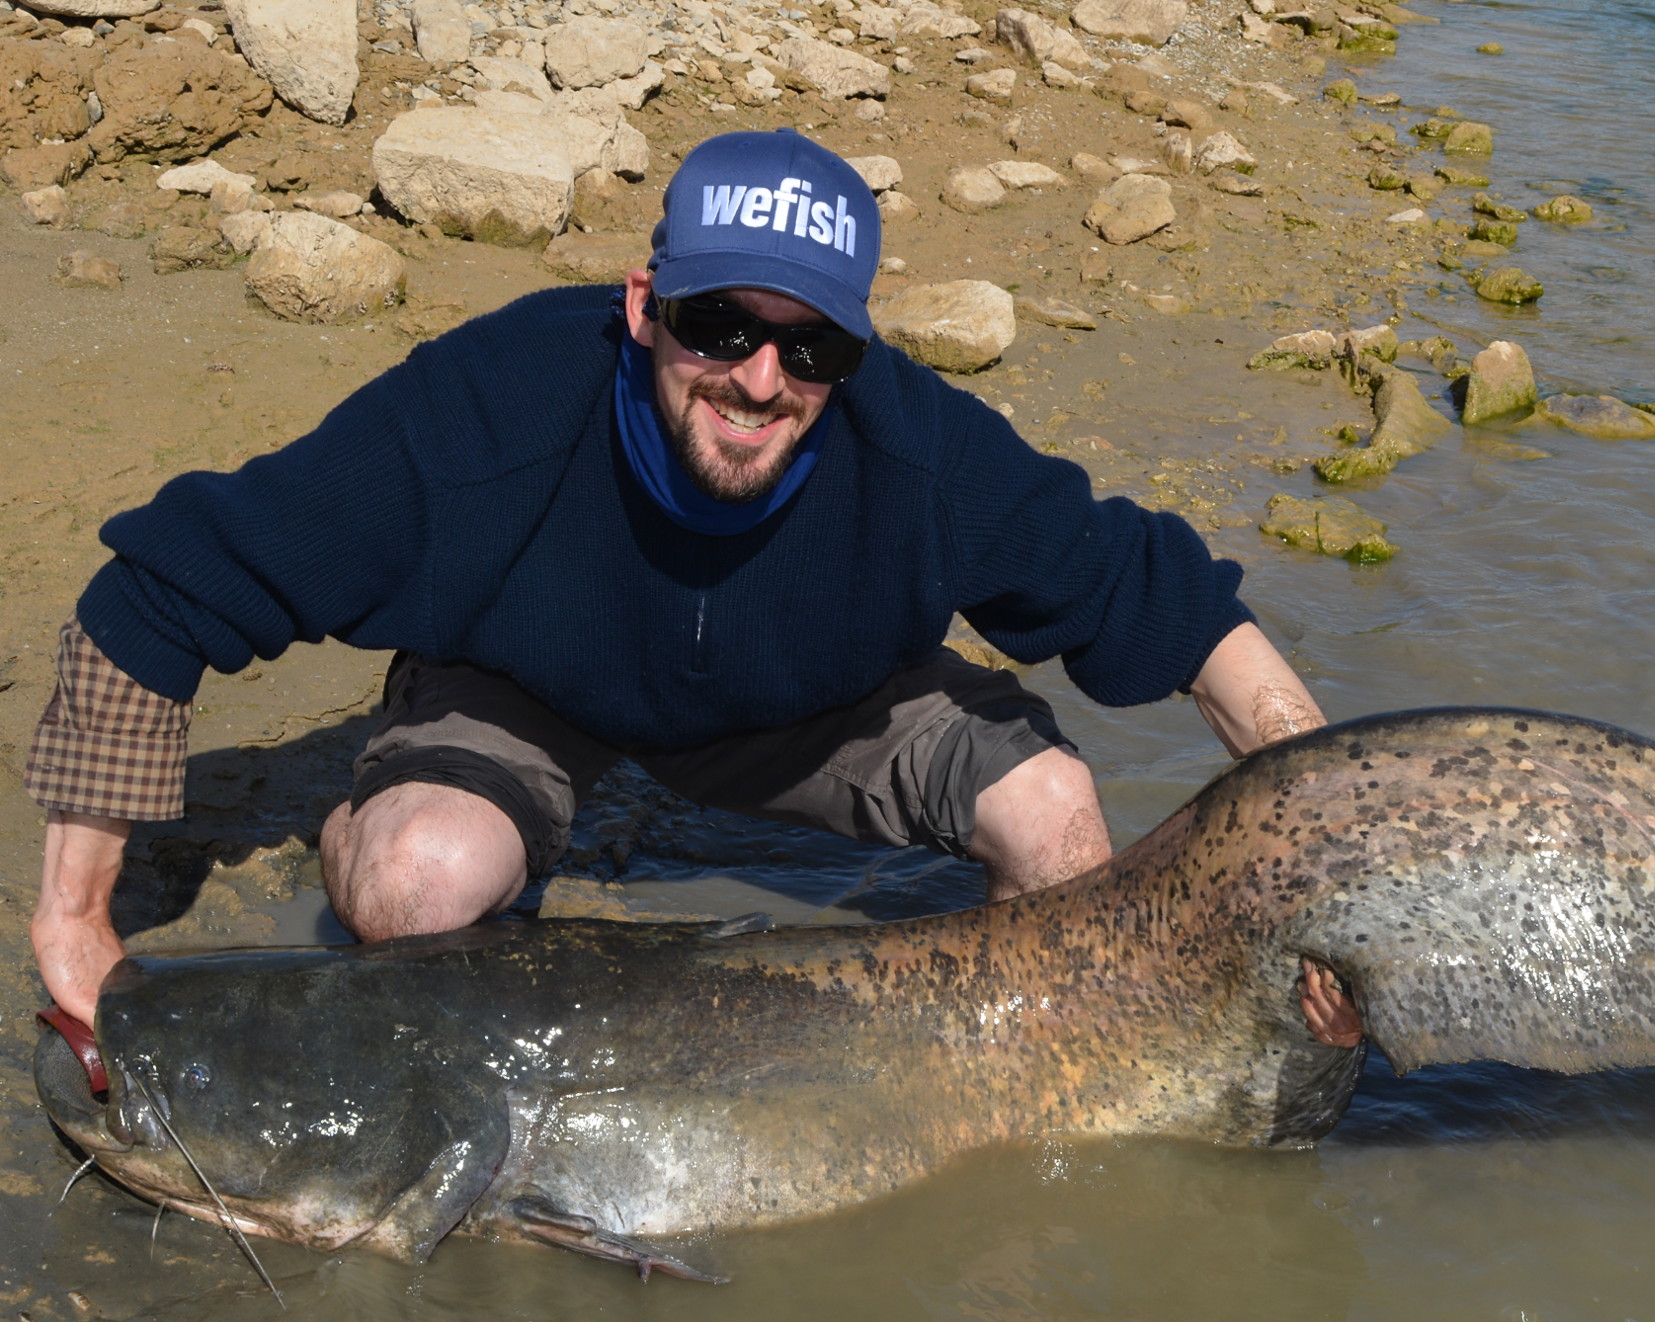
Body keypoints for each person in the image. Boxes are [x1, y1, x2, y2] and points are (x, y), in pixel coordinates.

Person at [27, 129, 1341, 1036]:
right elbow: (155, 598)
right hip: (520, 690)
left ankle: (995, 1074)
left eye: (809, 346)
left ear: (855, 348)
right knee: (413, 884)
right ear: (649, 299)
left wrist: (1321, 891)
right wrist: (76, 926)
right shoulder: (487, 412)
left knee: (1056, 813)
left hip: (813, 707)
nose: (759, 382)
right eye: (720, 327)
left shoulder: (917, 448)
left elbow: (1180, 613)